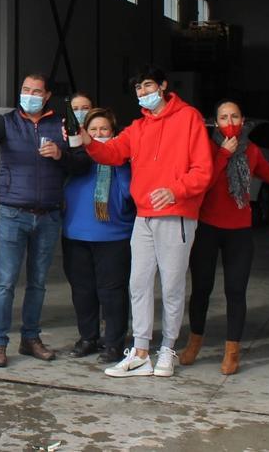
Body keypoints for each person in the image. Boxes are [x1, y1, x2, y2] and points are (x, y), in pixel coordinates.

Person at [81, 66, 213, 378]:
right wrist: (87, 140)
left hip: (176, 214)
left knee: (171, 285)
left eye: (148, 85)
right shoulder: (138, 128)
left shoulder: (189, 118)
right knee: (138, 283)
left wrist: (176, 190)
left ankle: (167, 348)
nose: (143, 92)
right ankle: (141, 351)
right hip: (144, 216)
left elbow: (203, 170)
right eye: (138, 88)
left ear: (164, 85)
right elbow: (111, 152)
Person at [0, 74, 89, 368]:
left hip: (48, 214)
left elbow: (81, 160)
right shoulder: (6, 122)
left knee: (38, 283)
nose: (30, 95)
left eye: (37, 91)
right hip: (13, 213)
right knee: (6, 282)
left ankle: (30, 338)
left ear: (47, 96)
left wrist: (60, 155)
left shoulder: (60, 124)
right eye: (26, 90)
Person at [179, 100, 269, 375]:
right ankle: (194, 343)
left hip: (239, 231)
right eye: (224, 117)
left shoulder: (253, 150)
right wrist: (223, 154)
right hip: (207, 228)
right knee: (202, 288)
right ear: (216, 122)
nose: (229, 121)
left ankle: (232, 351)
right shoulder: (206, 149)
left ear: (242, 118)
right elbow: (203, 182)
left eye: (234, 116)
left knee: (236, 291)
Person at [62, 108, 135, 364]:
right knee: (82, 291)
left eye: (104, 129)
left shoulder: (121, 160)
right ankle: (88, 337)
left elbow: (131, 193)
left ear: (114, 132)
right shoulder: (75, 157)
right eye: (93, 130)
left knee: (112, 292)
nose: (98, 134)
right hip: (76, 234)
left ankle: (114, 342)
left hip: (113, 236)